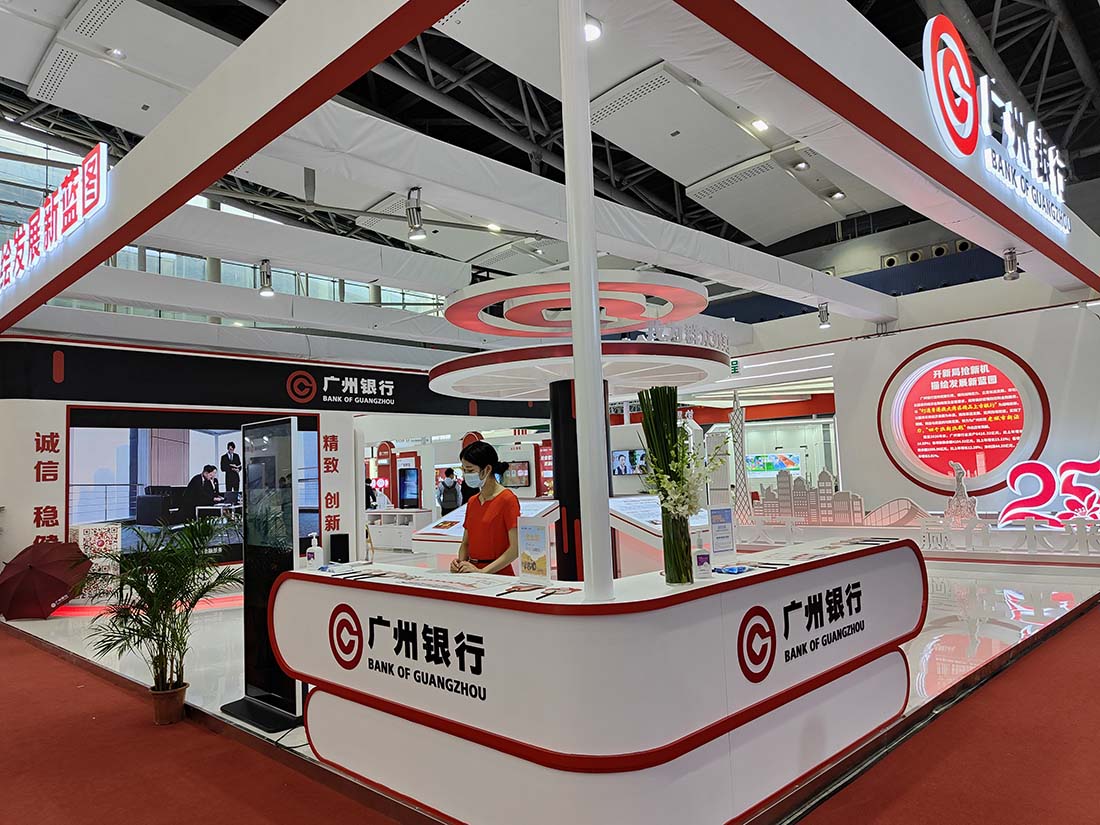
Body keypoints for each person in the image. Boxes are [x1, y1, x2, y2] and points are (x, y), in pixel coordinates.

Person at [451, 442, 519, 576]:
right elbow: (465, 543)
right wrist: (460, 563)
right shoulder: (472, 501)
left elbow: (515, 549)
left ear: (487, 469)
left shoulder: (507, 499)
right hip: (472, 573)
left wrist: (483, 571)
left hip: (499, 575)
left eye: (470, 470)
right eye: (464, 470)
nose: (465, 475)